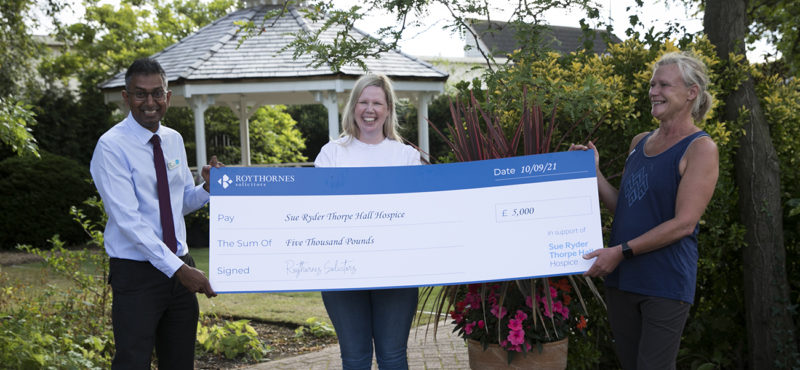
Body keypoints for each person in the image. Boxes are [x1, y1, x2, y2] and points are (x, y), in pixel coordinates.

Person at [570, 51, 719, 369]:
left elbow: (683, 223)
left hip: (664, 283)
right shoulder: (639, 142)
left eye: (664, 85)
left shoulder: (701, 149)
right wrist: (592, 171)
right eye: (652, 84)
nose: (653, 91)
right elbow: (623, 206)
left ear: (691, 92)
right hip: (622, 279)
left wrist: (620, 251)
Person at [90, 57, 221, 369]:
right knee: (132, 362)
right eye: (140, 94)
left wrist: (206, 188)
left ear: (168, 96)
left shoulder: (173, 140)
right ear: (126, 97)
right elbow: (129, 222)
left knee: (180, 362)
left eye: (157, 93)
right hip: (137, 275)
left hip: (179, 270)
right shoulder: (111, 147)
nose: (150, 102)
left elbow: (177, 203)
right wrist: (178, 269)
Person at [314, 74, 422, 369]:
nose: (369, 109)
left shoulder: (407, 157)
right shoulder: (332, 154)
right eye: (363, 102)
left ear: (388, 109)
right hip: (341, 270)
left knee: (393, 356)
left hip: (396, 270)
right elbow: (317, 211)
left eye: (377, 102)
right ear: (353, 107)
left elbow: (418, 214)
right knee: (355, 358)